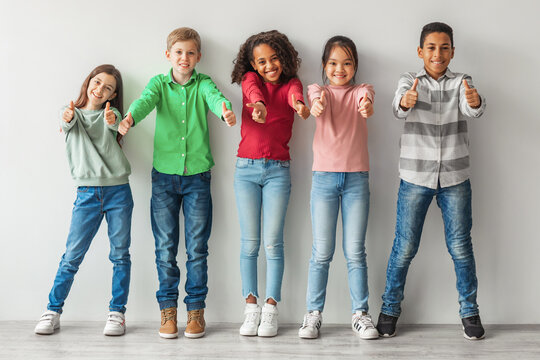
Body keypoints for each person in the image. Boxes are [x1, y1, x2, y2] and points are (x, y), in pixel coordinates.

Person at [118, 27, 236, 339]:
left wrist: (225, 110)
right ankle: (168, 313)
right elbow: (145, 101)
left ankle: (196, 313)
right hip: (164, 179)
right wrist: (130, 118)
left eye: (191, 53)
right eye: (179, 52)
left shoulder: (204, 83)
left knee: (197, 248)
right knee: (165, 248)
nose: (184, 58)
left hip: (198, 177)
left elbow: (215, 98)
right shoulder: (159, 83)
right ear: (168, 55)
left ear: (199, 57)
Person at [376, 22, 486, 340]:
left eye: (444, 47)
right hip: (415, 178)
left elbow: (471, 109)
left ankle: (470, 312)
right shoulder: (408, 81)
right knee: (404, 247)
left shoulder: (463, 82)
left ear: (452, 51)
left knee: (461, 247)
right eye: (432, 48)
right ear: (421, 51)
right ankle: (389, 309)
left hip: (455, 177)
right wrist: (405, 102)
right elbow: (398, 107)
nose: (438, 54)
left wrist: (475, 102)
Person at [35, 64, 133, 337]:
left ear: (113, 95)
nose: (100, 89)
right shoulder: (70, 114)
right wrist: (67, 116)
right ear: (89, 81)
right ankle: (52, 311)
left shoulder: (111, 114)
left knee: (120, 255)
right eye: (97, 82)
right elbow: (65, 121)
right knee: (71, 257)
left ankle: (117, 313)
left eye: (108, 88)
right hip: (87, 194)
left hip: (118, 192)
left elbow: (113, 121)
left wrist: (113, 120)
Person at [297, 36, 377, 340]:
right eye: (333, 63)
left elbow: (364, 102)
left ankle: (361, 314)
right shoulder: (318, 90)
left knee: (355, 252)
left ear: (355, 66)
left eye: (346, 63)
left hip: (357, 178)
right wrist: (316, 106)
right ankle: (313, 314)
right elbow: (318, 101)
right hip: (324, 180)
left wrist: (366, 107)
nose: (339, 68)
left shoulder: (362, 90)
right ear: (324, 65)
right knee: (321, 252)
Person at [230, 30, 310, 337]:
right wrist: (259, 106)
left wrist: (301, 107)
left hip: (278, 171)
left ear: (284, 57)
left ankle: (270, 309)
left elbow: (295, 97)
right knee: (250, 244)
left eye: (274, 58)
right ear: (253, 63)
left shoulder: (292, 84)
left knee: (273, 243)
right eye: (262, 61)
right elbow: (253, 94)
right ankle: (251, 307)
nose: (269, 65)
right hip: (245, 170)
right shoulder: (251, 80)